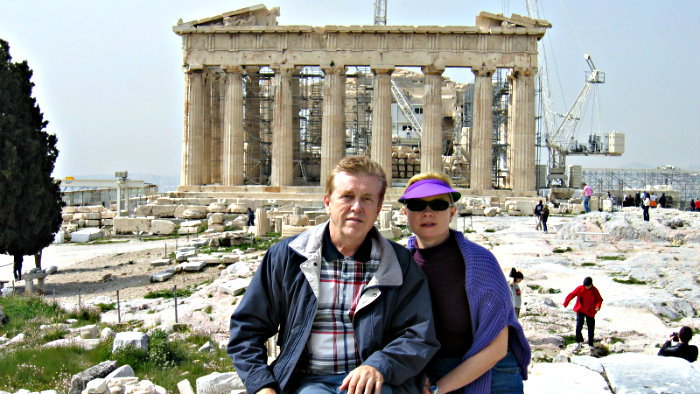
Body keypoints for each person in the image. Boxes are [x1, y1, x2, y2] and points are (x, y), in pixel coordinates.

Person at [228, 156, 439, 394]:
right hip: (309, 382)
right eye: (347, 196)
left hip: (375, 382)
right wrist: (262, 386)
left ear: (378, 208)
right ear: (328, 202)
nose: (356, 207)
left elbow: (419, 334)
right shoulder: (287, 257)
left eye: (367, 199)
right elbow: (247, 329)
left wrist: (379, 366)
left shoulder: (400, 264)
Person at [399, 172, 530, 394]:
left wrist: (440, 389)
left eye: (438, 204)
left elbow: (497, 348)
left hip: (493, 373)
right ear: (405, 212)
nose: (428, 212)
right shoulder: (399, 264)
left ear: (452, 212)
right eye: (417, 204)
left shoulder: (481, 262)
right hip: (431, 373)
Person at [563, 277, 603, 351]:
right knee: (578, 326)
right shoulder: (580, 288)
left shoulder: (594, 290)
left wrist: (598, 306)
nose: (586, 287)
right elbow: (572, 294)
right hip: (580, 310)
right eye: (585, 286)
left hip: (590, 311)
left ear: (591, 285)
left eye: (587, 286)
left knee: (591, 327)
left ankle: (590, 344)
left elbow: (599, 300)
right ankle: (578, 342)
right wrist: (566, 302)